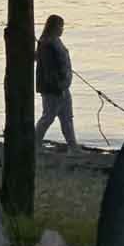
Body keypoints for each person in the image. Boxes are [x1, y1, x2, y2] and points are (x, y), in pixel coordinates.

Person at [34, 13, 78, 154]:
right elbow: (48, 68)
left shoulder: (55, 41)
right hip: (54, 88)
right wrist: (57, 85)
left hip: (63, 86)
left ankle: (73, 147)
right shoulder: (46, 43)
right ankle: (34, 144)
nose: (62, 29)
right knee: (48, 116)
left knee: (67, 117)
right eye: (60, 26)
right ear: (54, 27)